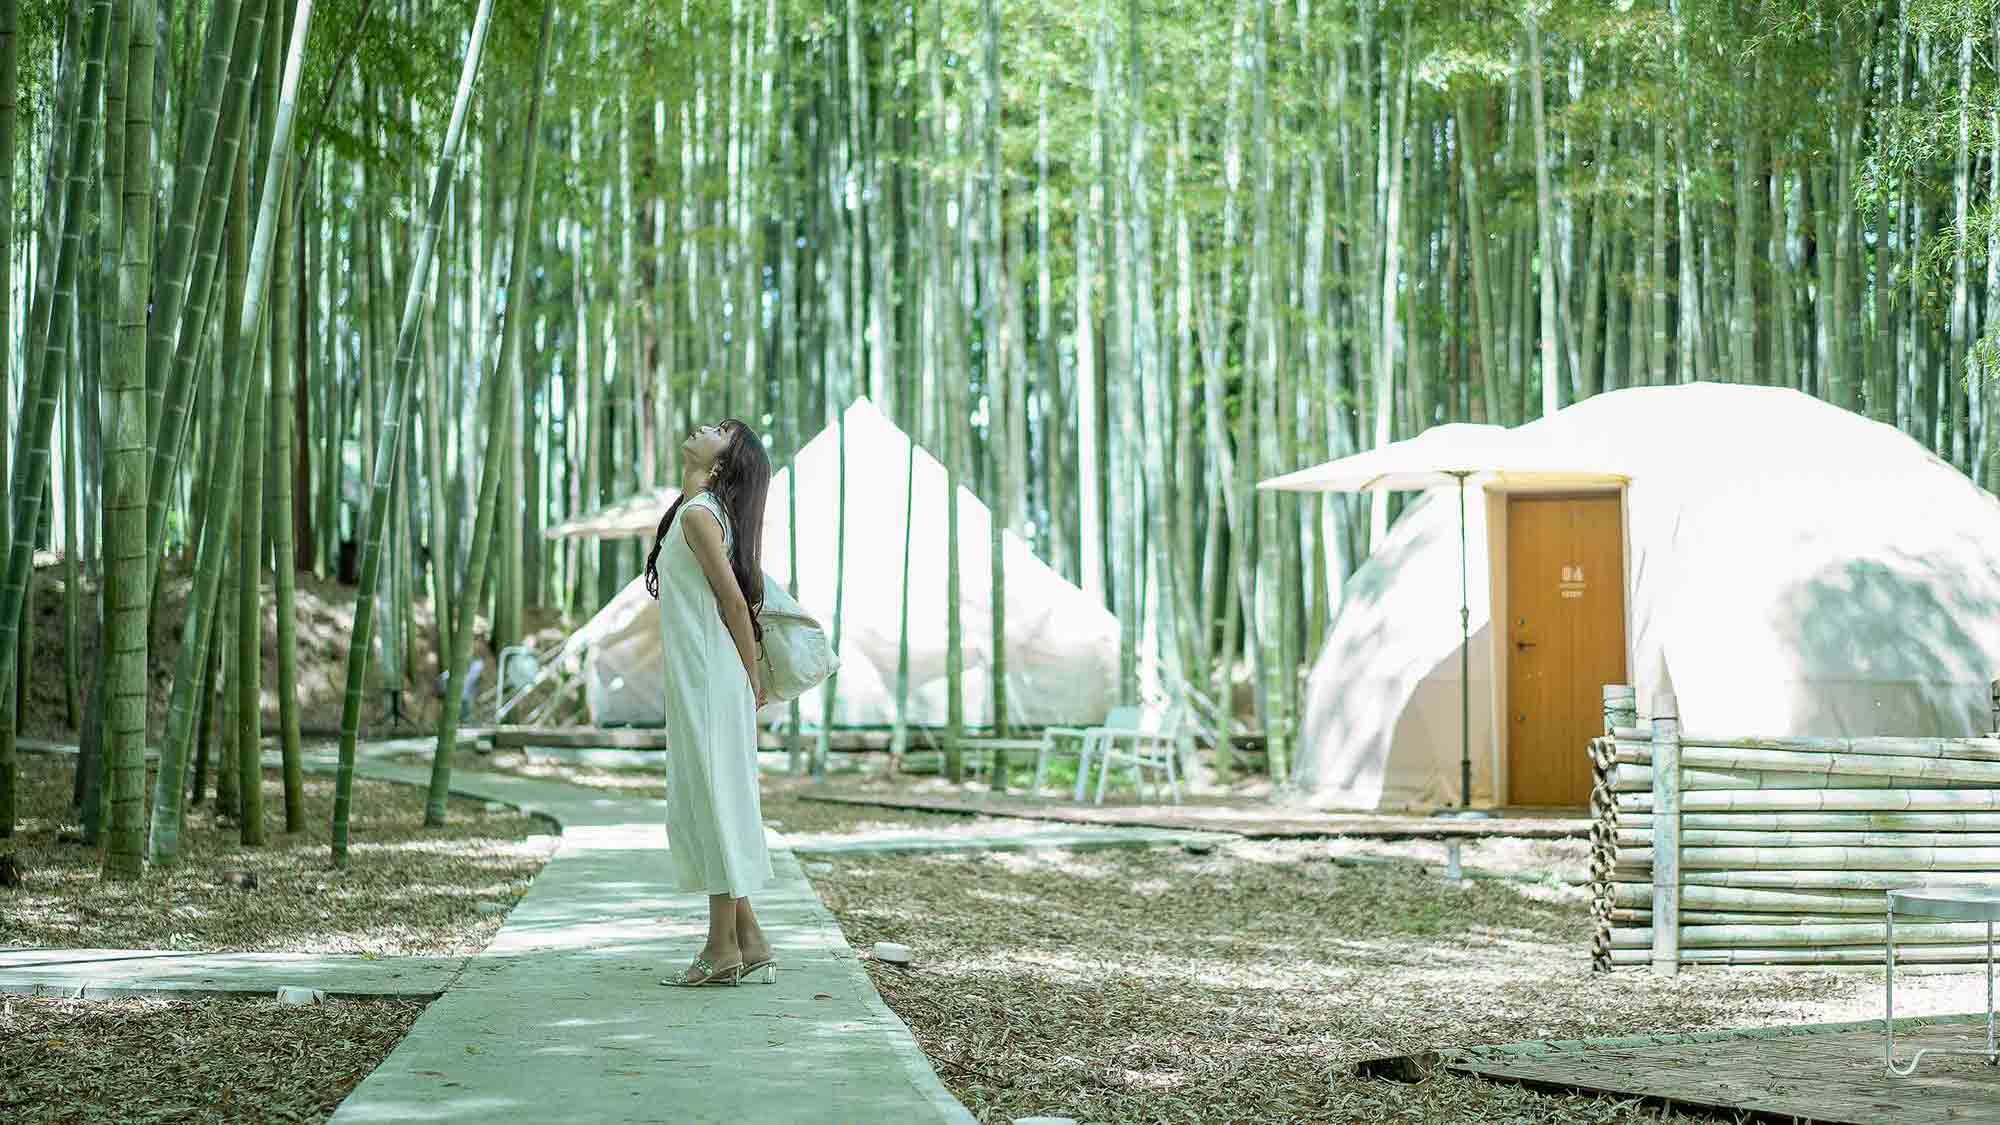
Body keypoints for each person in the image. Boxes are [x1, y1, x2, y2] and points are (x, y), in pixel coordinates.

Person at [644, 419, 776, 987]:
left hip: (710, 677)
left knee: (714, 800)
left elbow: (734, 601)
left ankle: (720, 946)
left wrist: (751, 682)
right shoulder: (693, 510)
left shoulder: (700, 516)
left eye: (718, 430)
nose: (702, 427)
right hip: (699, 676)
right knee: (706, 799)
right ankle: (750, 938)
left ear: (722, 462)